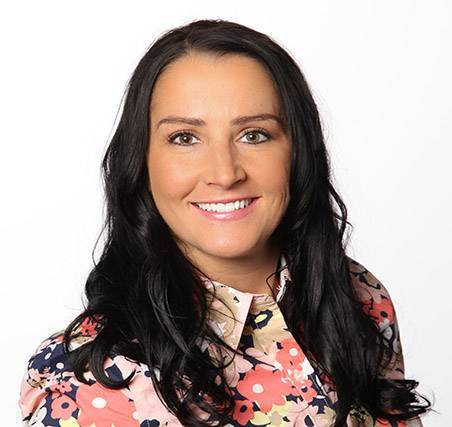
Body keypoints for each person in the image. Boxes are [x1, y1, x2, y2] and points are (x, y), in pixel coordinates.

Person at [19, 19, 432, 427]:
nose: (224, 172)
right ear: (141, 163)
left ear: (298, 151)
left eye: (254, 134)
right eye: (184, 138)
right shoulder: (90, 377)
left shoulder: (359, 297)